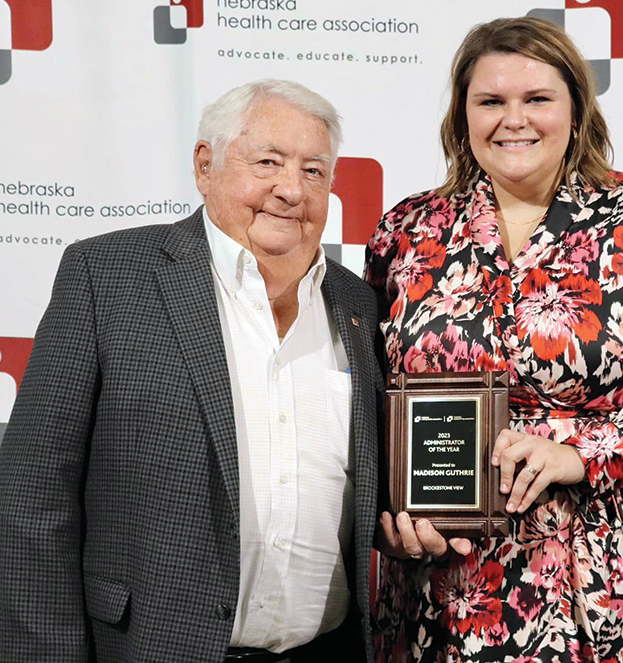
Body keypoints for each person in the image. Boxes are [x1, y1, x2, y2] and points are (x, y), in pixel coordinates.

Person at [366, 18, 623, 662]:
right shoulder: (407, 229)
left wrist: (583, 453)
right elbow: (370, 396)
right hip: (454, 582)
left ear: (575, 109)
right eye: (491, 101)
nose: (514, 120)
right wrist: (387, 516)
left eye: (537, 98)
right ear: (461, 115)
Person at [0, 79, 384, 663]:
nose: (291, 190)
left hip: (326, 650)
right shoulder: (108, 275)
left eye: (314, 171)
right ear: (206, 166)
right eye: (268, 162)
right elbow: (32, 494)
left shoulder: (358, 304)